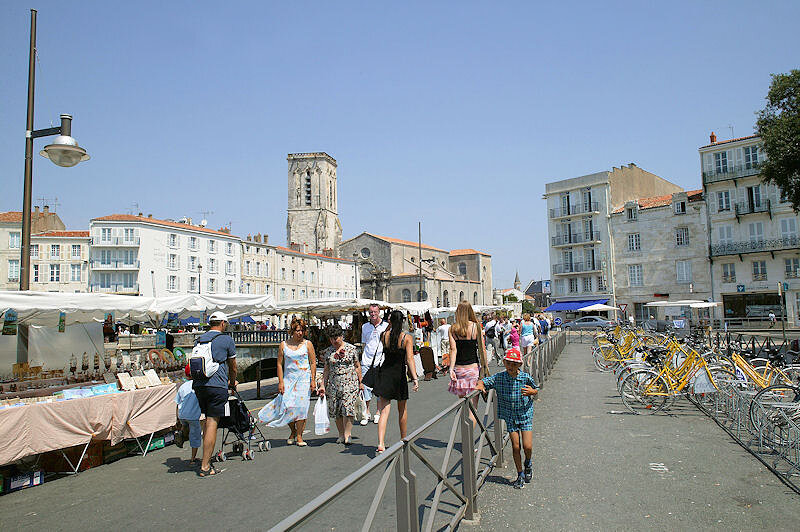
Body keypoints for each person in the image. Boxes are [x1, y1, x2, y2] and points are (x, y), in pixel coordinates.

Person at [475, 347, 538, 489]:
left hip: (525, 414)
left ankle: (528, 463)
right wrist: (480, 386)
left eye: (514, 364)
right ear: (504, 362)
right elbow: (484, 381)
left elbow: (536, 389)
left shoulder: (525, 378)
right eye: (508, 363)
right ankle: (520, 474)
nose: (511, 366)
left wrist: (533, 391)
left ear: (519, 365)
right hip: (510, 416)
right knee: (516, 446)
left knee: (527, 446)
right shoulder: (499, 378)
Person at [192, 311, 237, 478]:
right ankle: (205, 465)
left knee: (206, 420)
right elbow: (233, 366)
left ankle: (204, 457)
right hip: (216, 385)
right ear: (223, 323)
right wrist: (232, 382)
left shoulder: (199, 339)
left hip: (199, 385)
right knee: (212, 422)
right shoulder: (226, 339)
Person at [259, 318, 317, 446]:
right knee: (287, 406)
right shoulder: (283, 345)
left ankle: (299, 436)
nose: (300, 333)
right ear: (292, 331)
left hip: (303, 379)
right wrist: (280, 382)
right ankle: (293, 431)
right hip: (289, 379)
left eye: (302, 330)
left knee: (301, 408)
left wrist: (313, 380)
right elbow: (279, 364)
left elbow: (313, 362)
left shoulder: (308, 344)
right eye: (297, 330)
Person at [373, 310, 419, 453]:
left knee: (384, 410)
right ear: (403, 321)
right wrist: (415, 378)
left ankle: (381, 443)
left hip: (385, 373)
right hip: (399, 375)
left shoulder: (384, 335)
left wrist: (389, 325)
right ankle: (403, 438)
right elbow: (410, 359)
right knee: (402, 410)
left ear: (390, 321)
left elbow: (388, 332)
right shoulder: (406, 338)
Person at [317, 324, 363, 445]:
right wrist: (322, 385)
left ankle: (348, 434)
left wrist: (361, 382)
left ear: (341, 336)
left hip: (350, 382)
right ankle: (341, 434)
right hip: (334, 384)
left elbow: (357, 366)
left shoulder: (351, 349)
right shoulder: (328, 352)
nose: (334, 341)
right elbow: (326, 370)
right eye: (331, 338)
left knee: (348, 408)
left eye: (336, 338)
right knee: (336, 410)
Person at [448, 301, 487, 403]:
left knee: (463, 404)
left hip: (459, 369)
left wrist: (451, 369)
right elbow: (482, 349)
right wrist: (485, 366)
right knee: (473, 406)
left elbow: (453, 350)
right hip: (473, 369)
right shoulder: (476, 327)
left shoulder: (452, 329)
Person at [361, 303, 388, 425]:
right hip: (366, 360)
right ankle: (366, 412)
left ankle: (378, 412)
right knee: (365, 388)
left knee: (378, 388)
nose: (373, 314)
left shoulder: (386, 326)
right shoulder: (365, 327)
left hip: (380, 361)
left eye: (375, 312)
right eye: (371, 312)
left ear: (379, 312)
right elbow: (364, 343)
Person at [175, 364, 203, 466]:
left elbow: (177, 403)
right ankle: (193, 459)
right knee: (195, 436)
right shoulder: (199, 385)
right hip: (193, 416)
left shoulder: (182, 386)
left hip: (182, 415)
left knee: (186, 425)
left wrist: (177, 419)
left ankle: (182, 433)